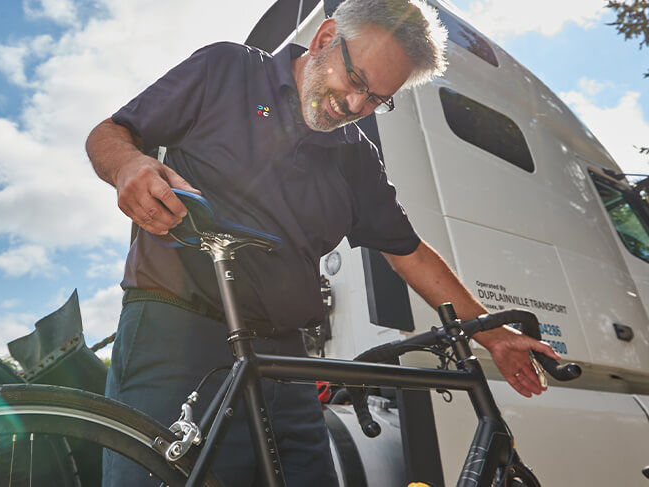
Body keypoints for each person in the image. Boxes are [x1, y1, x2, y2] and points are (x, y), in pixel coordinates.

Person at [86, 0, 561, 485]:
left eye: (377, 99)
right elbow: (112, 133)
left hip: (284, 360)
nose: (356, 106)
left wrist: (492, 334)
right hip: (177, 334)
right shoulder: (226, 69)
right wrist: (129, 165)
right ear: (323, 37)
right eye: (356, 81)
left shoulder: (356, 155)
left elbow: (409, 252)